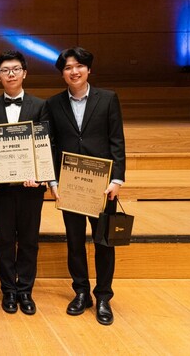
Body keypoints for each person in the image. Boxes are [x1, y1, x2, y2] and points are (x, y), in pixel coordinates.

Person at [46, 47, 126, 326]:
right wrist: (53, 181)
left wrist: (117, 179)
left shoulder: (108, 99)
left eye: (79, 66)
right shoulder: (53, 104)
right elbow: (51, 145)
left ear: (89, 69)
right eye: (68, 67)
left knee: (104, 242)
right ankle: (81, 292)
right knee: (75, 240)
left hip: (102, 185)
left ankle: (103, 296)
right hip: (70, 184)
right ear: (62, 73)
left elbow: (117, 140)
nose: (74, 71)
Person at [0, 50, 51, 315]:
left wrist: (40, 174)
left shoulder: (40, 105)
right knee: (4, 240)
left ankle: (25, 291)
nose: (11, 74)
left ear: (24, 73)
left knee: (30, 240)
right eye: (5, 70)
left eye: (15, 69)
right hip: (2, 188)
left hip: (31, 188)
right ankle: (9, 290)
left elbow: (45, 143)